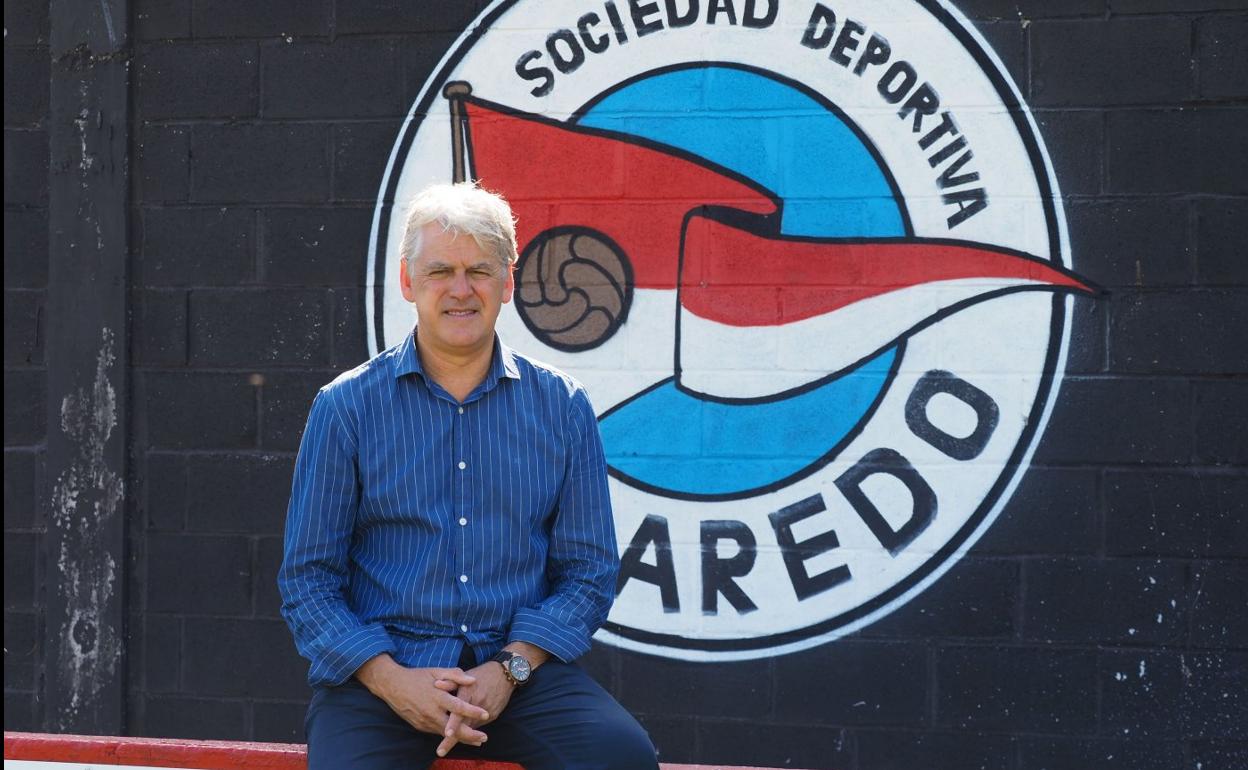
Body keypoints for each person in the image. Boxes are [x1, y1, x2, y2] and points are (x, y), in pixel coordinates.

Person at [278, 182, 658, 769]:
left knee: (622, 758)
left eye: (479, 270)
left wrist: (508, 669)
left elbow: (588, 573)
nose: (461, 290)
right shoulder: (346, 407)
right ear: (408, 282)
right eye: (440, 272)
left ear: (508, 281)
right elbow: (308, 580)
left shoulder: (562, 406)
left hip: (518, 677)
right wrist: (390, 681)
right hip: (380, 682)